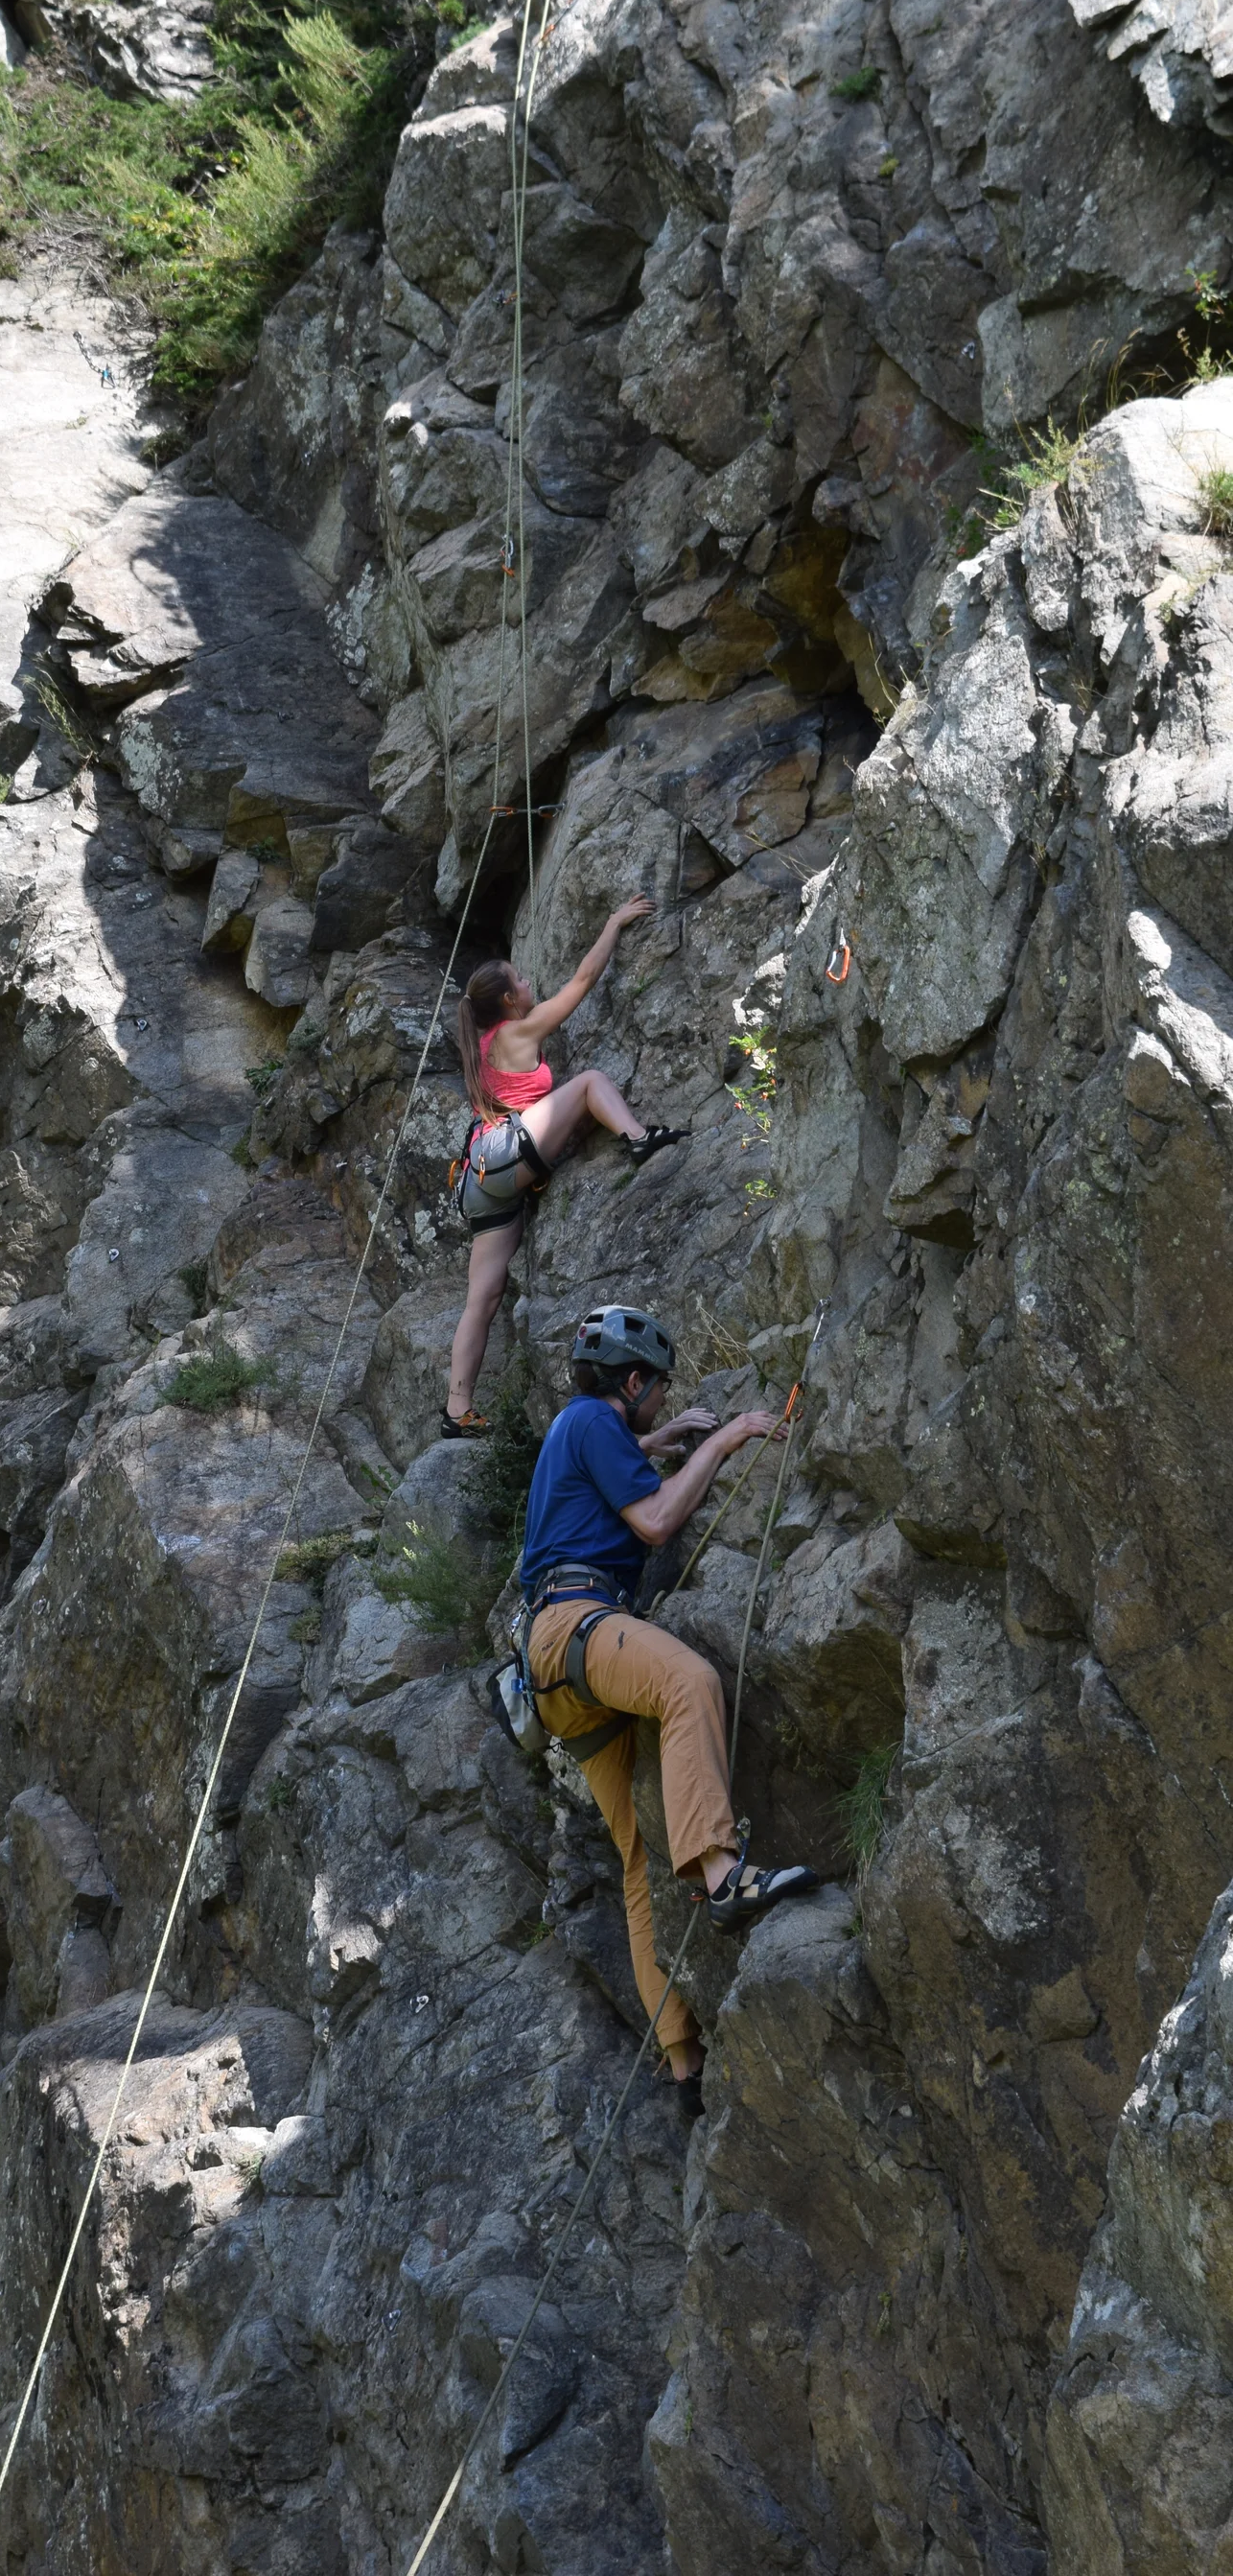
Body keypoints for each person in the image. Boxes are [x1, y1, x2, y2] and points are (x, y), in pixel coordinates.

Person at [513, 1302, 819, 2114]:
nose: (658, 1406)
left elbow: (616, 1466)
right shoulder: (592, 1421)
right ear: (634, 1380)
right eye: (656, 1394)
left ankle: (683, 2063)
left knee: (638, 1866)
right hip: (579, 1625)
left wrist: (661, 1440)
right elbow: (651, 1520)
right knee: (691, 1682)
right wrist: (723, 1438)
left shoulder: (574, 1430)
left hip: (553, 1677)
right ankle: (724, 1876)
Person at [445, 902, 686, 1438]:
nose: (530, 983)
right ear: (511, 1001)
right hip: (506, 1156)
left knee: (481, 1298)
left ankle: (456, 1408)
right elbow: (582, 981)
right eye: (522, 980)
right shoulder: (516, 1034)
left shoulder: (484, 1044)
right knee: (590, 1081)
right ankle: (639, 1138)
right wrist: (613, 923)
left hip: (481, 1178)